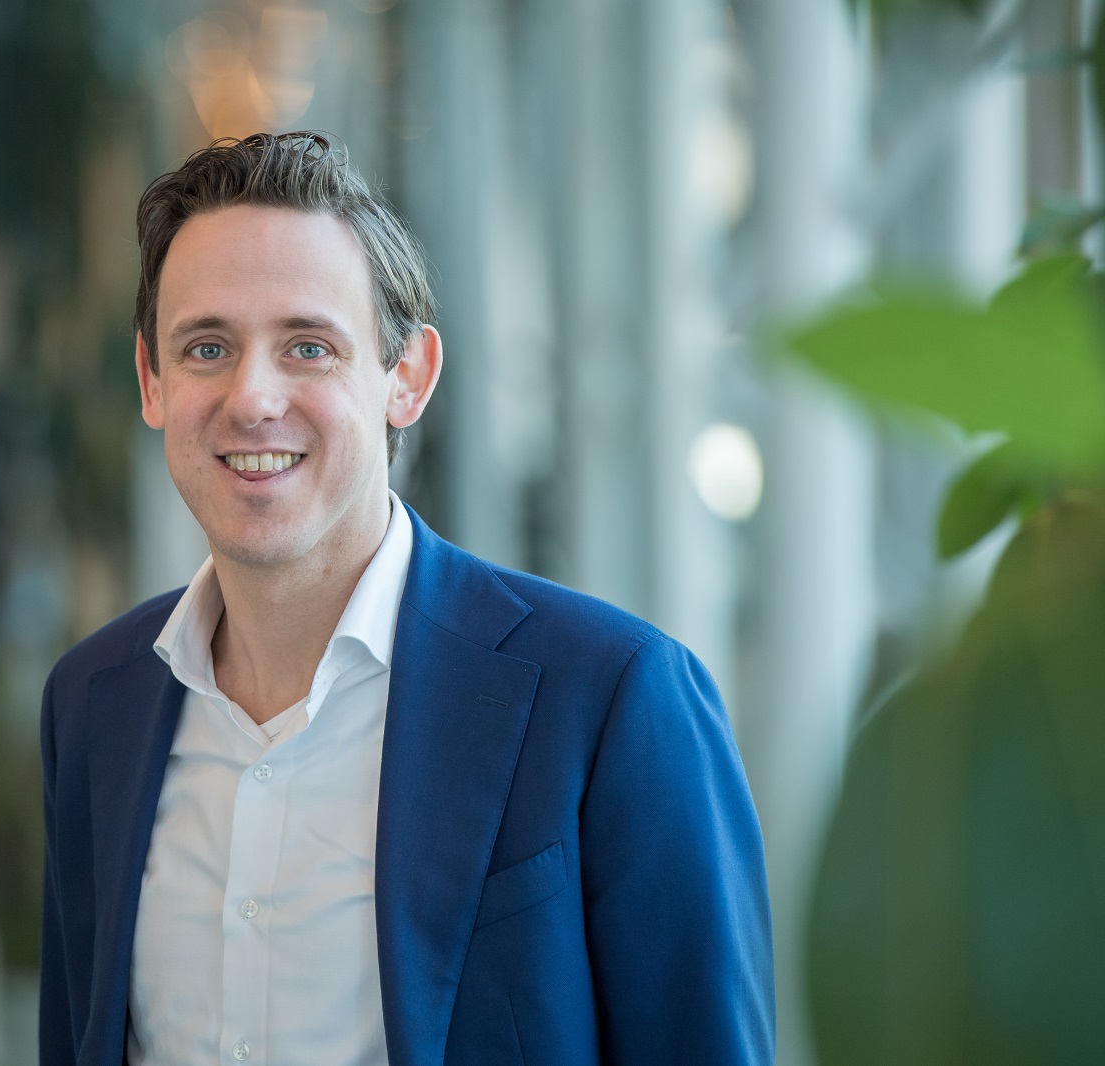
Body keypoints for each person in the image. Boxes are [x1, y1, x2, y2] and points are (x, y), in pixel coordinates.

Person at [39, 131, 774, 1066]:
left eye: (308, 347)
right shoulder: (92, 704)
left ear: (408, 378)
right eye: (207, 347)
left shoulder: (612, 697)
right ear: (152, 380)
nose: (252, 399)